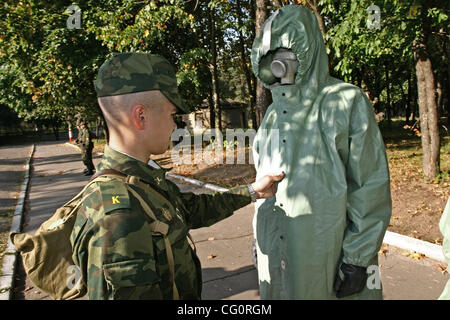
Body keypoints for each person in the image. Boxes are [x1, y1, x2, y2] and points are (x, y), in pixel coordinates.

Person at [70, 52, 285, 300]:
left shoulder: (141, 181)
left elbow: (190, 210)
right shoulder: (117, 213)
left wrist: (253, 191)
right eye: (172, 115)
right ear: (141, 116)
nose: (175, 126)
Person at [250, 5, 392, 299]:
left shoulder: (345, 102)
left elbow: (370, 185)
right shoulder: (273, 116)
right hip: (276, 255)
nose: (280, 63)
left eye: (288, 52)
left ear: (308, 49)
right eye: (272, 56)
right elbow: (262, 184)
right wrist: (259, 239)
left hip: (328, 255)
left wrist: (358, 259)